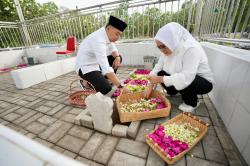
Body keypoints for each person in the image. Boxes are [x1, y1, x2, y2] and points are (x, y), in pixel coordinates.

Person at [144, 22, 214, 112]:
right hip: (184, 76)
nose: (162, 50)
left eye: (163, 46)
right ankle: (174, 92)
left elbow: (187, 77)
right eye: (159, 47)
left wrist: (160, 79)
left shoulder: (191, 49)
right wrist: (150, 84)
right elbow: (158, 66)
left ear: (172, 40)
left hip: (202, 82)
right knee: (160, 73)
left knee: (182, 78)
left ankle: (193, 102)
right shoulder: (169, 48)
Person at [76, 15, 127, 94]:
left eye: (120, 35)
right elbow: (105, 67)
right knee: (106, 89)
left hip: (96, 64)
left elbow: (112, 47)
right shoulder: (98, 39)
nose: (118, 37)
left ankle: (104, 79)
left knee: (118, 57)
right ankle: (84, 82)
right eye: (117, 34)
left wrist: (117, 57)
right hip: (85, 67)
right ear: (108, 28)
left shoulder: (105, 34)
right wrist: (121, 86)